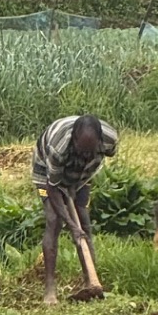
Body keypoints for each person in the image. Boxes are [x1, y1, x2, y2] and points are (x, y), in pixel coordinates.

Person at [33, 112, 118, 303]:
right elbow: (53, 188)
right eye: (82, 150)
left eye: (91, 150)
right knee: (54, 220)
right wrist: (71, 225)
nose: (86, 154)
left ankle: (91, 281)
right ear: (74, 140)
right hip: (47, 173)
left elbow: (96, 157)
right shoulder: (58, 147)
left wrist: (78, 225)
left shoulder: (109, 140)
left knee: (84, 222)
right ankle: (50, 288)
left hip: (82, 175)